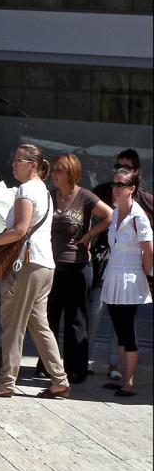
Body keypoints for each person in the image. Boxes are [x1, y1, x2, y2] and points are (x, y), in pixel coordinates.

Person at [0, 143, 70, 399]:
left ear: (33, 166)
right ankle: (59, 381)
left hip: (27, 264)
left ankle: (6, 382)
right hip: (44, 264)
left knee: (12, 324)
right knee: (39, 324)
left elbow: (19, 230)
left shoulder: (26, 190)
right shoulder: (44, 191)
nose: (13, 164)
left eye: (18, 160)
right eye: (14, 159)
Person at [36, 154, 112, 383]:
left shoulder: (85, 197)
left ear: (70, 173)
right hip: (53, 265)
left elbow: (110, 215)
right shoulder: (50, 196)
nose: (54, 173)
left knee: (76, 320)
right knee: (48, 318)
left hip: (79, 267)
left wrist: (89, 235)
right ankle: (47, 365)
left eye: (59, 170)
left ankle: (75, 368)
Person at [90, 149, 154, 381]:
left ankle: (127, 381)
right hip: (114, 275)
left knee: (126, 330)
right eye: (115, 183)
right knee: (118, 327)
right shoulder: (116, 213)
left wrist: (143, 275)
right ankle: (120, 375)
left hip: (131, 277)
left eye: (120, 184)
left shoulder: (139, 215)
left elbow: (149, 252)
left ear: (132, 187)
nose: (114, 188)